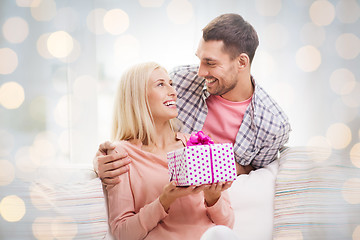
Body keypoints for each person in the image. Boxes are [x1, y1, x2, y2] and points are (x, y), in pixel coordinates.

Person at [94, 13, 291, 185]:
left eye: (210, 63)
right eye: (199, 59)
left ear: (241, 62)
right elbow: (139, 129)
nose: (201, 71)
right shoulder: (179, 81)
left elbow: (258, 179)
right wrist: (103, 162)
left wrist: (208, 166)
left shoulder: (273, 126)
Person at [105, 62, 234, 240]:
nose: (173, 92)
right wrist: (163, 201)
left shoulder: (197, 143)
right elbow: (122, 233)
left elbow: (227, 226)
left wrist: (213, 198)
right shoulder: (121, 154)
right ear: (138, 97)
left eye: (171, 84)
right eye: (160, 84)